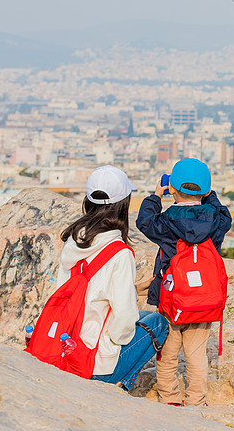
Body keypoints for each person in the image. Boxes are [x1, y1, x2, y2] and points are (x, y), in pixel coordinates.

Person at [56, 165, 169, 390]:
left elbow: (82, 292)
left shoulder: (74, 242)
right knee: (158, 323)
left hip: (67, 349)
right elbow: (124, 323)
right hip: (95, 366)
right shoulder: (119, 253)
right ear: (123, 205)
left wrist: (132, 289)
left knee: (144, 315)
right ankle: (120, 384)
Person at [136, 158, 232, 406]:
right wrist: (210, 195)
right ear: (207, 190)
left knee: (167, 352)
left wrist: (155, 196)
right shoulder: (217, 222)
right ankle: (196, 400)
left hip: (172, 299)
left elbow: (144, 221)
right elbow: (225, 214)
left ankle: (169, 396)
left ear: (173, 189)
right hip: (203, 301)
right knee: (196, 353)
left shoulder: (166, 222)